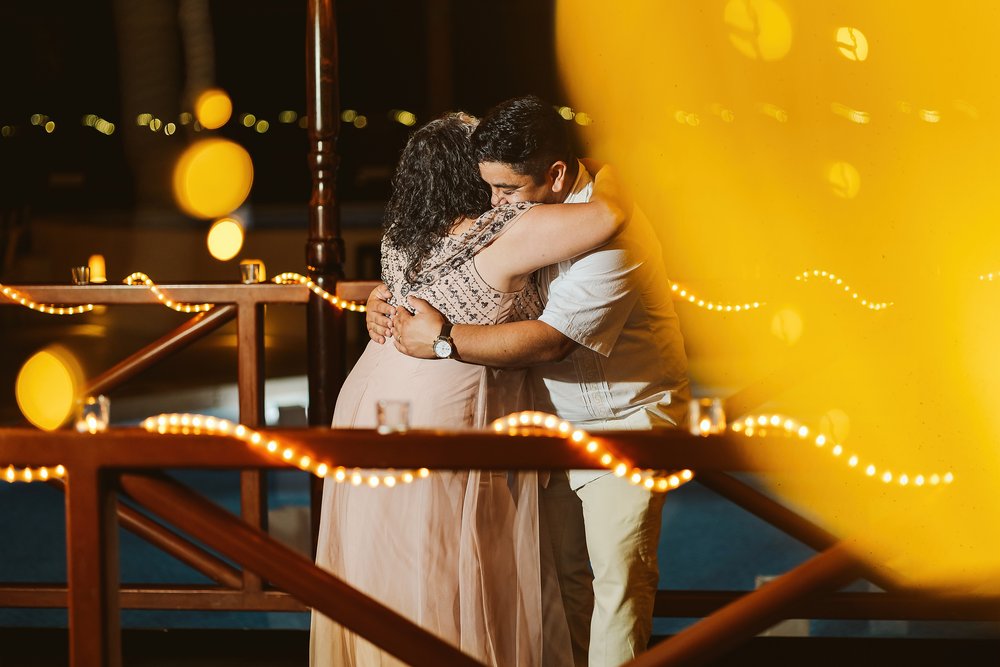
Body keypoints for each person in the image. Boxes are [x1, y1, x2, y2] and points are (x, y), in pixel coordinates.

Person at [368, 96, 690, 667]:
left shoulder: (615, 235)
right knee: (563, 578)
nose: (496, 205)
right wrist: (379, 300)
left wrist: (443, 339)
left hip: (624, 420)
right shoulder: (537, 217)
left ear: (556, 175)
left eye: (507, 190)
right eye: (488, 188)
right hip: (552, 420)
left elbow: (552, 339)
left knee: (619, 588)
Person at [311, 111, 629, 667]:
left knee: (385, 564)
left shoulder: (402, 237)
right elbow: (611, 213)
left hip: (370, 393)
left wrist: (375, 303)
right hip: (438, 400)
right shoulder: (507, 228)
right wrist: (598, 165)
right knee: (447, 565)